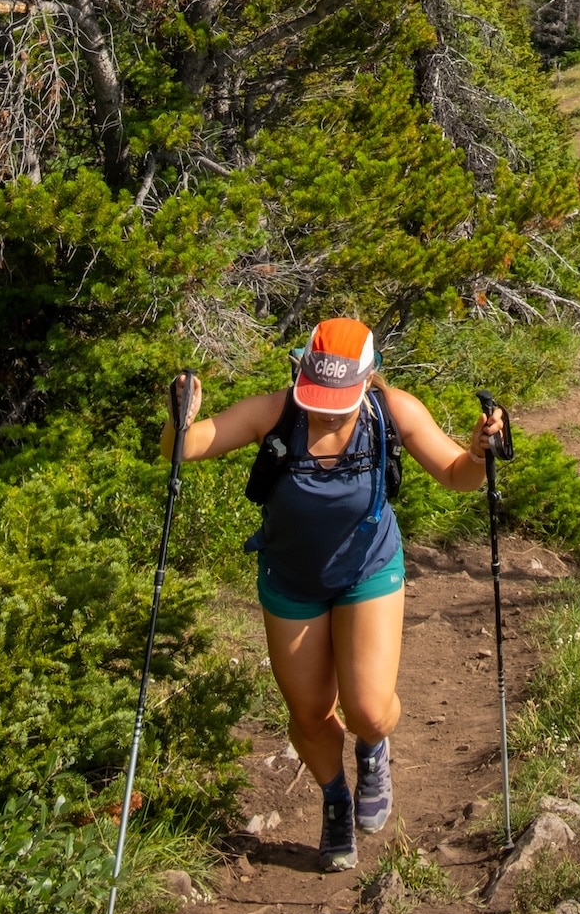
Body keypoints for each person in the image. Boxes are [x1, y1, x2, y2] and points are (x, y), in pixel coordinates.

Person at [166, 319, 508, 871]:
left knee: (368, 711)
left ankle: (374, 749)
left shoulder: (393, 410)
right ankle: (335, 799)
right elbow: (183, 450)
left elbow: (455, 475)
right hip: (291, 579)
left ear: (368, 378)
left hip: (368, 570)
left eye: (340, 398)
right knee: (308, 712)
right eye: (318, 396)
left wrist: (478, 451)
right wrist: (180, 421)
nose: (326, 409)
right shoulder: (273, 411)